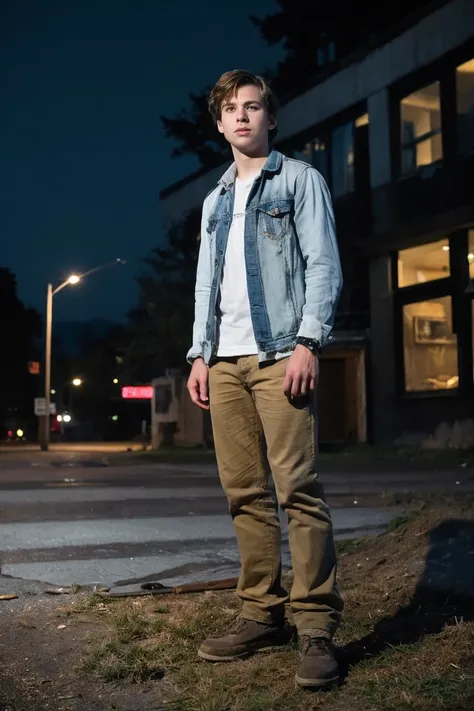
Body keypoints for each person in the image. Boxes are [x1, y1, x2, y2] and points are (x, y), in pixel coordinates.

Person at [186, 69, 344, 690]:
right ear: (220, 123)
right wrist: (199, 354)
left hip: (280, 353)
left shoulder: (301, 180)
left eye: (254, 107)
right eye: (232, 110)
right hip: (223, 361)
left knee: (297, 490)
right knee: (244, 493)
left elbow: (322, 263)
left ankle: (315, 627)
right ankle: (261, 613)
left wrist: (309, 342)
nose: (244, 117)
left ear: (271, 119)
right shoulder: (214, 200)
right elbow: (205, 283)